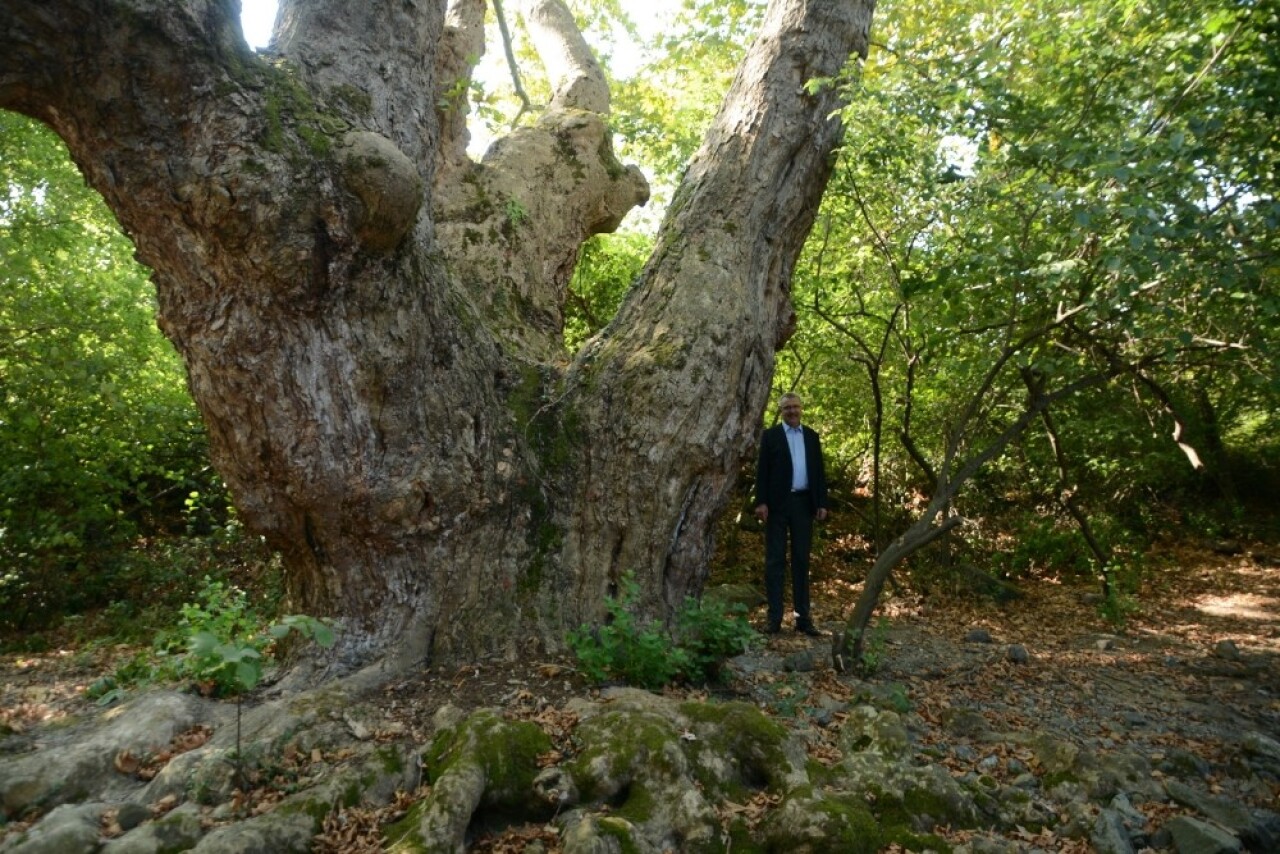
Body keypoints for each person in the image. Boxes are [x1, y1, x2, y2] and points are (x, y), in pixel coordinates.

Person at [754, 392, 829, 637]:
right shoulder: (771, 436)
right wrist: (761, 501)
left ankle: (803, 618)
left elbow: (818, 472)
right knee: (775, 560)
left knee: (801, 560)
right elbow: (762, 471)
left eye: (795, 407)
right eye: (787, 408)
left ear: (802, 408)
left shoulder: (811, 436)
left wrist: (821, 502)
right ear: (781, 411)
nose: (792, 411)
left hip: (804, 503)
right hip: (777, 505)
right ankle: (774, 617)